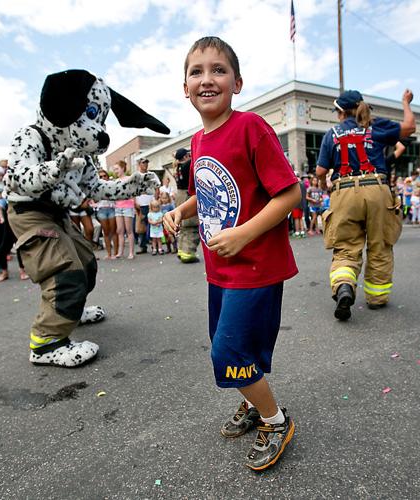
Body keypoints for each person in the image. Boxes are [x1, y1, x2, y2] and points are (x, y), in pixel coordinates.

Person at [163, 36, 301, 471]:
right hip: (219, 270)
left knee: (229, 353)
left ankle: (275, 420)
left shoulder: (250, 127)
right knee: (240, 347)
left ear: (237, 83)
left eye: (218, 70)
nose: (207, 79)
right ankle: (252, 400)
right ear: (184, 88)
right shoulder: (200, 142)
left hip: (255, 267)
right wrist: (180, 210)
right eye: (196, 72)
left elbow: (291, 193)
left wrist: (243, 234)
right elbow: (205, 192)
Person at [315, 88, 415, 319]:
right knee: (380, 244)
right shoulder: (376, 125)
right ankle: (377, 297)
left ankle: (344, 286)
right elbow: (409, 127)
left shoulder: (331, 134)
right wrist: (405, 102)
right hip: (377, 189)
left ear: (340, 112)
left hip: (344, 192)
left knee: (346, 248)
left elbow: (321, 170)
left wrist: (323, 182)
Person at [173, 147, 201, 263]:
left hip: (180, 195)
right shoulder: (187, 165)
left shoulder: (178, 167)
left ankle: (181, 250)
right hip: (187, 195)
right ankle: (188, 252)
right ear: (185, 157)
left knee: (183, 226)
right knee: (192, 225)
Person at [112, 161, 136, 259]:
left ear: (122, 168)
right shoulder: (115, 181)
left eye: (117, 168)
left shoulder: (129, 179)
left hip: (127, 206)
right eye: (114, 169)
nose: (115, 171)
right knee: (120, 230)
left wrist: (134, 206)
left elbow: (133, 192)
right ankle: (120, 252)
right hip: (118, 207)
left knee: (129, 230)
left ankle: (131, 252)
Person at [95, 169, 117, 259]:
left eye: (104, 176)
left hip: (112, 208)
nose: (103, 178)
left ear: (107, 177)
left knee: (113, 231)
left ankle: (116, 253)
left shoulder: (112, 185)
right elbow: (95, 199)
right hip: (101, 210)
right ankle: (108, 254)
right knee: (106, 232)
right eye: (101, 176)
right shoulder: (96, 187)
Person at [134, 158, 153, 254]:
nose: (145, 164)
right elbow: (132, 190)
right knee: (141, 226)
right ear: (139, 164)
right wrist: (134, 202)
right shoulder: (136, 176)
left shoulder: (152, 175)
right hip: (140, 204)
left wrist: (156, 201)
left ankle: (154, 245)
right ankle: (143, 246)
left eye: (147, 162)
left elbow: (157, 187)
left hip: (151, 204)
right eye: (143, 162)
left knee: (152, 224)